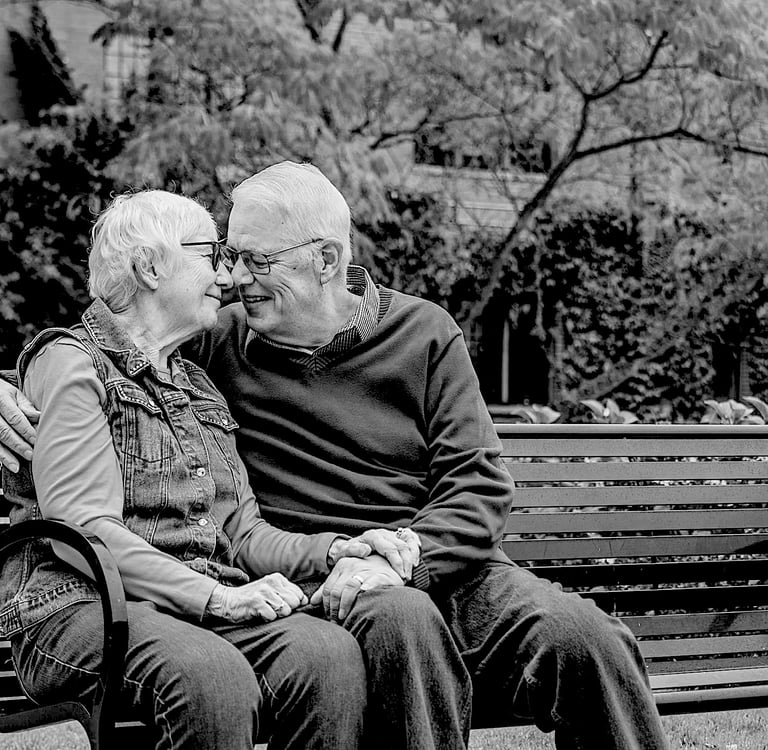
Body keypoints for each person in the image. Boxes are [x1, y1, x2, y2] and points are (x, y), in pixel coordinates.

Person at [0, 161, 669, 748]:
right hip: (324, 574)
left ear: (324, 261)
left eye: (256, 262)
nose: (233, 279)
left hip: (439, 563)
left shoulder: (424, 333)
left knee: (591, 643)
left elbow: (479, 489)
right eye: (226, 257)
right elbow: (113, 336)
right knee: (400, 623)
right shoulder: (216, 342)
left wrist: (396, 555)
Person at [0, 190, 471, 750]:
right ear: (149, 266)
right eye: (210, 253)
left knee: (327, 655)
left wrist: (335, 550)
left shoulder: (198, 385)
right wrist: (218, 598)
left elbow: (243, 533)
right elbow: (85, 531)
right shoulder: (71, 363)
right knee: (213, 676)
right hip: (83, 605)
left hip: (194, 607)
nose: (227, 275)